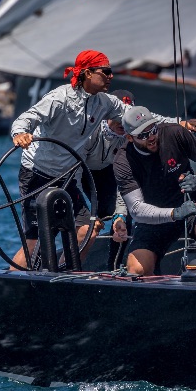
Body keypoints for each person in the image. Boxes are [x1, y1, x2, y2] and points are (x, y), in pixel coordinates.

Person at [10, 49, 196, 269]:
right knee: (36, 242)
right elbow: (27, 118)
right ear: (88, 73)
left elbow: (138, 116)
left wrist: (177, 123)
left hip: (67, 178)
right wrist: (20, 133)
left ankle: (65, 276)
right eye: (106, 72)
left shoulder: (105, 102)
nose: (111, 77)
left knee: (87, 230)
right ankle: (13, 286)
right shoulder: (58, 99)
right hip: (38, 174)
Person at [114, 105, 196, 277]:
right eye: (143, 135)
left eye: (153, 130)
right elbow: (136, 209)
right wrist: (176, 213)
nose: (151, 137)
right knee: (136, 269)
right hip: (156, 216)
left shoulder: (175, 132)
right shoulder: (123, 161)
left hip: (194, 203)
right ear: (129, 137)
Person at [80, 89, 135, 268]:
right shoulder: (90, 129)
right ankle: (68, 264)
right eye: (118, 116)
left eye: (127, 117)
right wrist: (85, 214)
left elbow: (124, 182)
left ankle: (114, 266)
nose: (122, 122)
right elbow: (72, 176)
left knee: (122, 218)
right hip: (78, 174)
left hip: (107, 174)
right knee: (83, 222)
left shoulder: (129, 140)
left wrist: (120, 214)